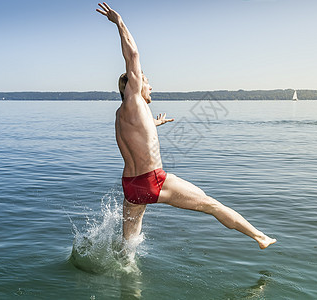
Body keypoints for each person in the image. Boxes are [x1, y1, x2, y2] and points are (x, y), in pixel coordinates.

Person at [96, 3, 276, 249]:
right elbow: (133, 56)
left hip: (130, 187)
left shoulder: (123, 114)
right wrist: (120, 22)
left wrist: (155, 122)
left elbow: (136, 136)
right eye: (146, 82)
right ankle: (260, 238)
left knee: (129, 248)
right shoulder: (134, 98)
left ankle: (127, 280)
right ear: (133, 86)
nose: (150, 86)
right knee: (210, 204)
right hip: (153, 180)